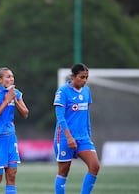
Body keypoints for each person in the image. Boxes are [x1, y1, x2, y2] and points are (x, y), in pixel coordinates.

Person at [53, 63, 100, 194]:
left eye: (86, 77)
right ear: (73, 76)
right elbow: (60, 117)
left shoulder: (86, 91)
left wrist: (88, 134)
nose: (84, 80)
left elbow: (86, 115)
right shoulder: (63, 92)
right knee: (63, 171)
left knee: (95, 166)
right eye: (81, 77)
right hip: (64, 137)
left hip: (83, 137)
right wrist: (68, 137)